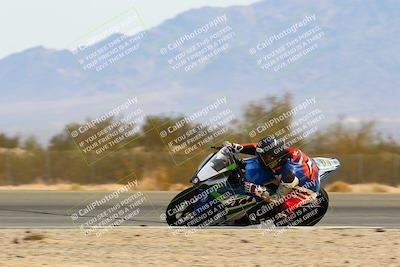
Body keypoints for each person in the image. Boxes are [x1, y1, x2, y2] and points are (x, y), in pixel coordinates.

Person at [223, 135, 319, 216]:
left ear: (277, 157)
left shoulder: (289, 175)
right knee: (246, 167)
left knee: (281, 208)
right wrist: (234, 147)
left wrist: (257, 190)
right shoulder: (275, 155)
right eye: (262, 156)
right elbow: (257, 149)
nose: (261, 159)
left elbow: (277, 198)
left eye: (266, 157)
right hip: (285, 171)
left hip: (305, 189)